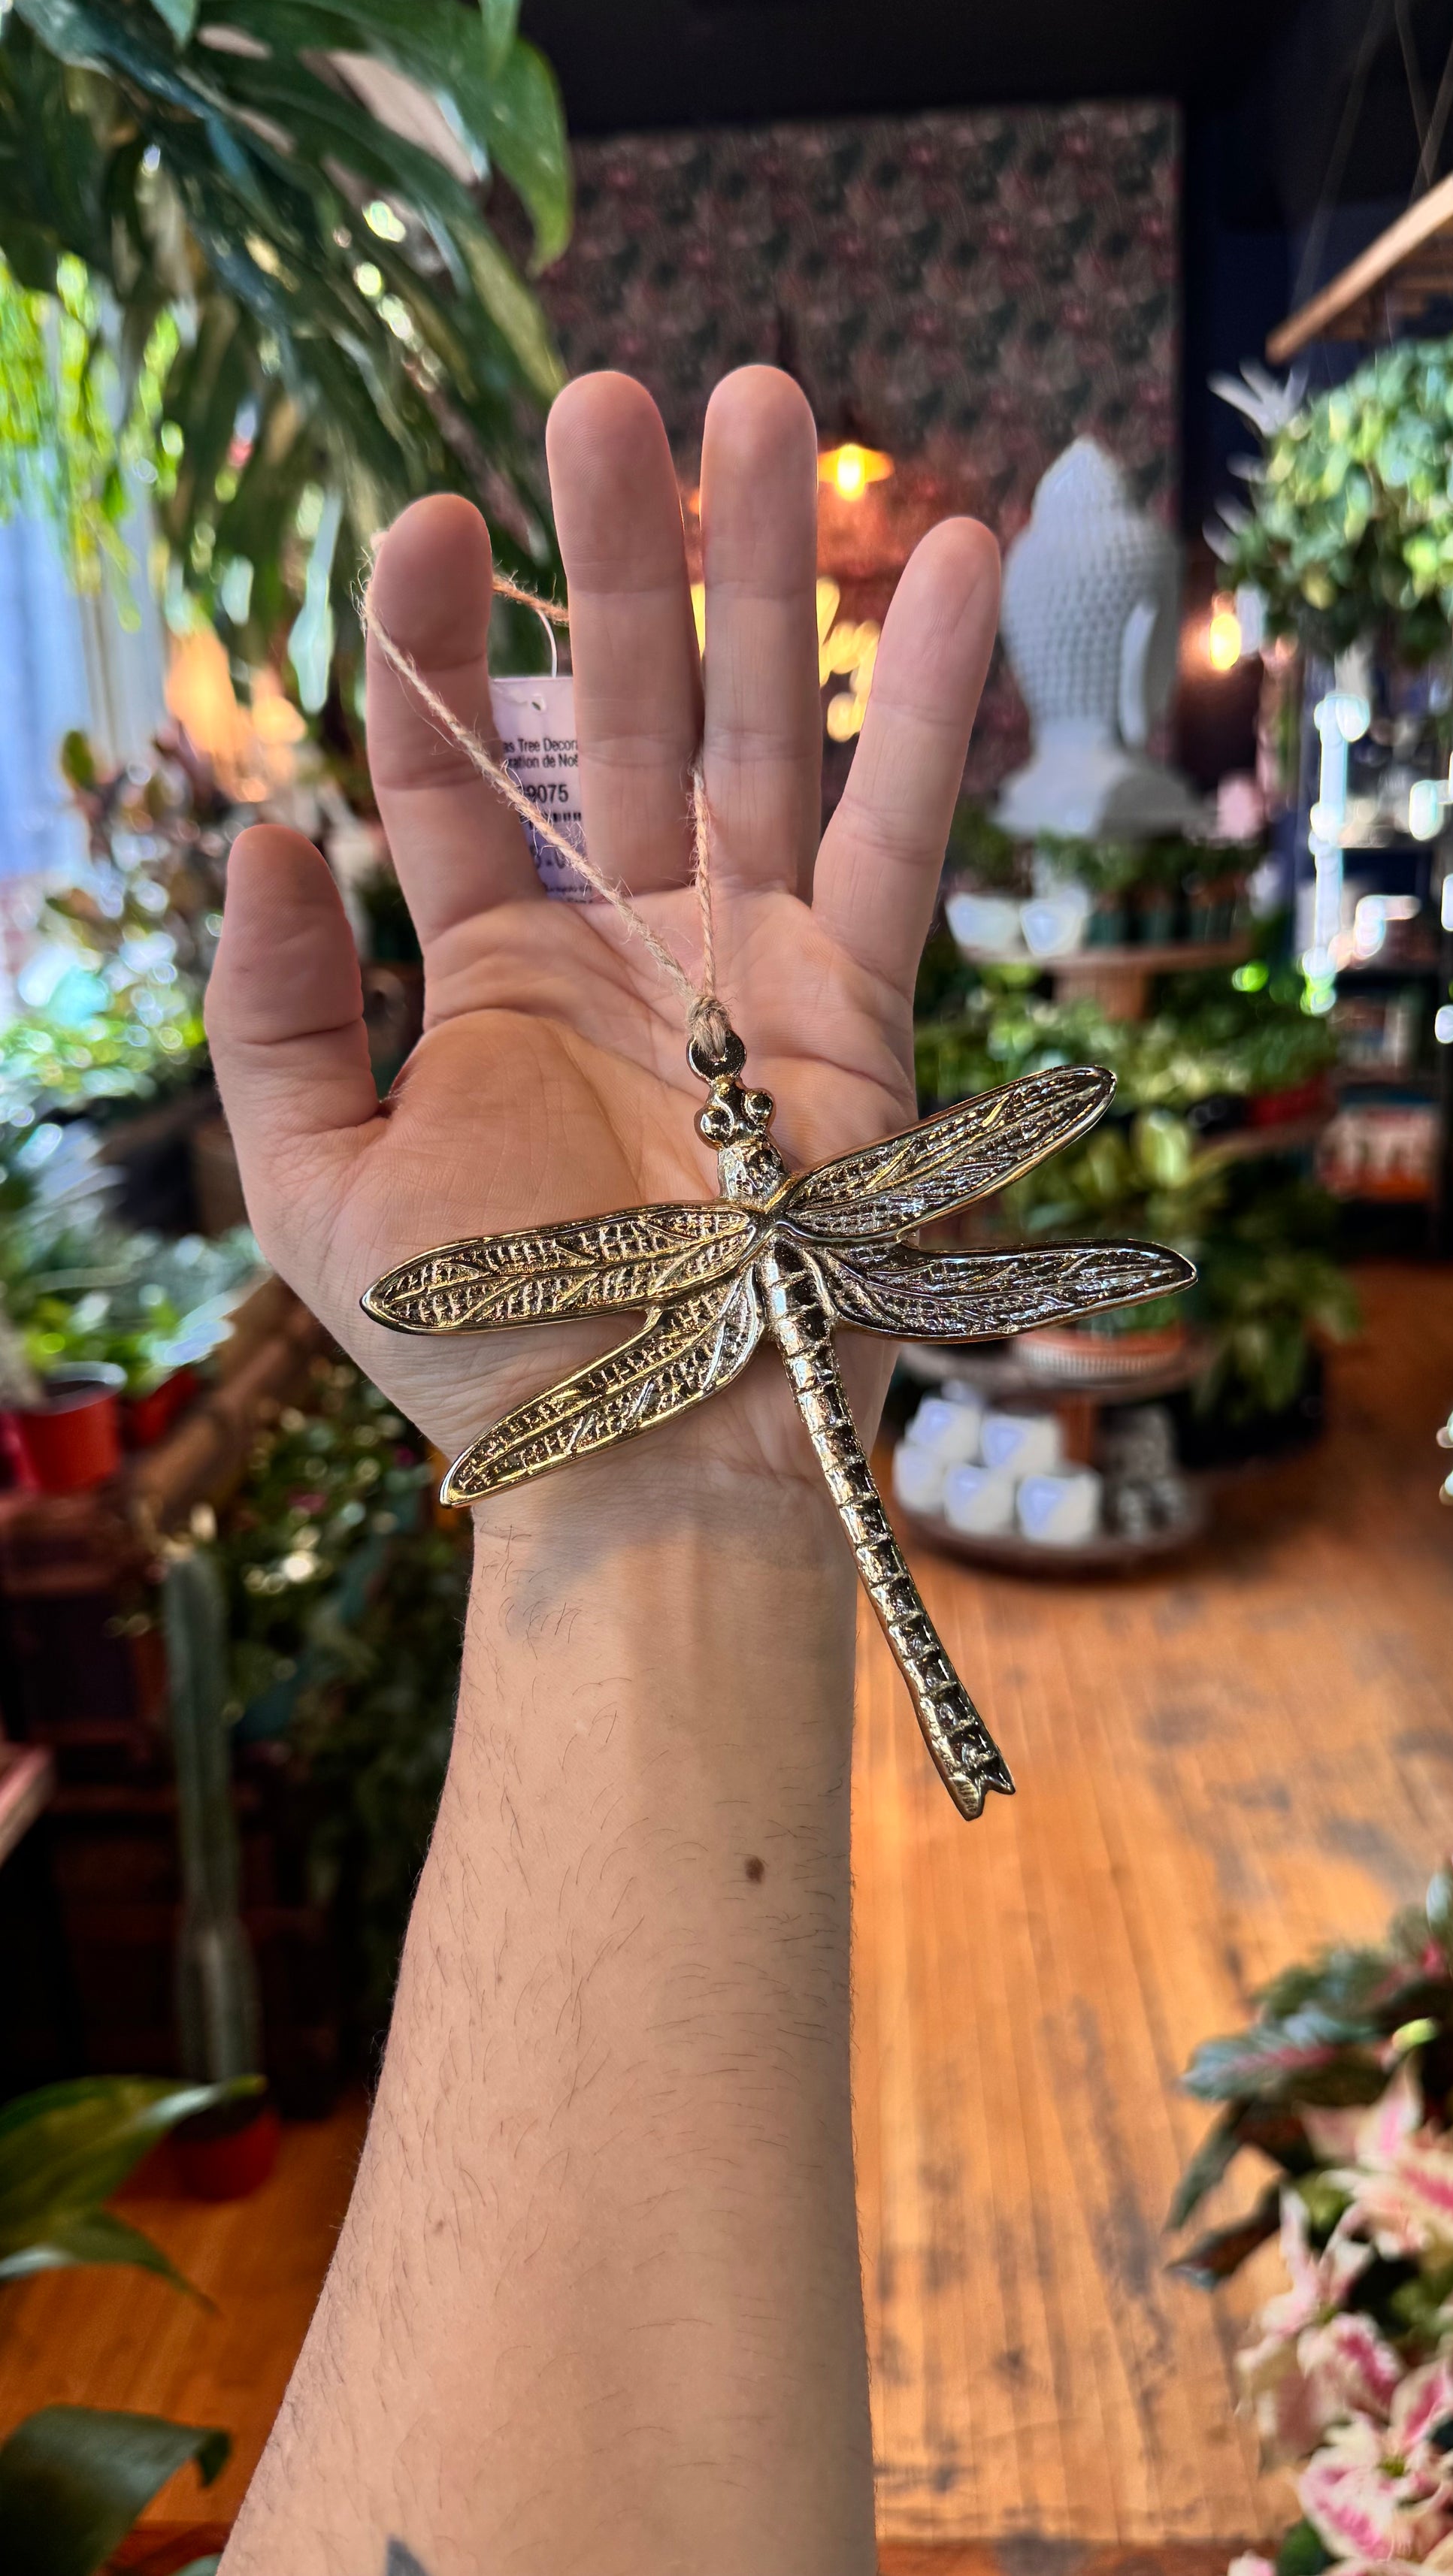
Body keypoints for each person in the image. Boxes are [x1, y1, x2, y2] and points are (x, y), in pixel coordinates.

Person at [207, 364, 1000, 2576]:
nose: (733, 1110)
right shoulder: (778, 1193)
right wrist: (644, 1489)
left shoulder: (758, 1195)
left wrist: (629, 1485)